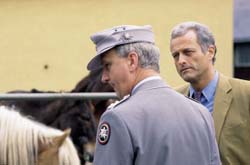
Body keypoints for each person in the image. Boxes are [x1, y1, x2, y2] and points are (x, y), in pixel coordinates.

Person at [87, 24, 220, 165]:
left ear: (132, 61)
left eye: (108, 65)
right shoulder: (201, 113)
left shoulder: (118, 117)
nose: (104, 78)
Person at [170, 21, 250, 164]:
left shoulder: (245, 93)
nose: (181, 61)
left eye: (188, 52)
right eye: (175, 55)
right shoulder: (172, 99)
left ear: (210, 52)